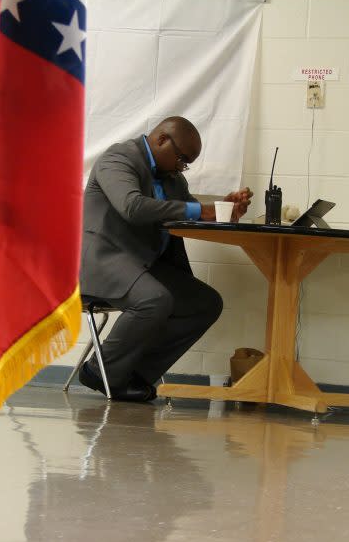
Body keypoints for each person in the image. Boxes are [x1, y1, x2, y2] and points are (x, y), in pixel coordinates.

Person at [79, 116, 253, 401]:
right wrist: (203, 210)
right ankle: (100, 372)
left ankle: (134, 373)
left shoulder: (172, 177)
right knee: (155, 299)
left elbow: (190, 212)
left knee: (205, 303)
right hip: (103, 260)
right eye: (182, 159)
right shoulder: (118, 159)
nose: (181, 167)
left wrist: (223, 208)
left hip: (140, 264)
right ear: (161, 140)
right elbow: (132, 206)